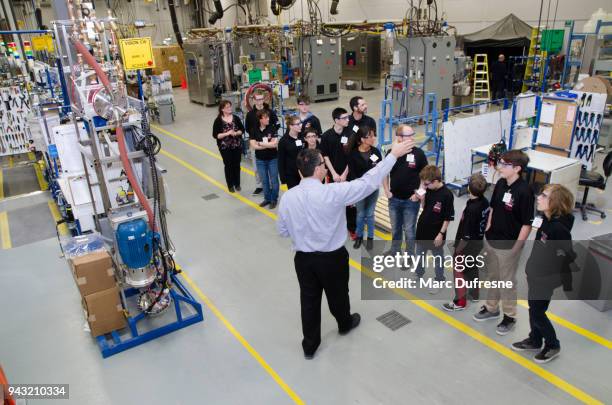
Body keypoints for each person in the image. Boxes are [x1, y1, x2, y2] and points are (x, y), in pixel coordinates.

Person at [277, 137, 416, 359]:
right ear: (319, 169)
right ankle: (344, 323)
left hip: (303, 260)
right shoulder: (333, 192)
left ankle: (310, 345)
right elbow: (368, 182)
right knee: (339, 294)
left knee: (309, 301)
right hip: (332, 258)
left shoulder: (287, 198)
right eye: (323, 163)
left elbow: (283, 231)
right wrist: (392, 155)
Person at [512, 184, 575, 363]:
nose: (538, 197)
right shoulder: (545, 219)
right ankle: (535, 339)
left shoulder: (559, 230)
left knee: (538, 312)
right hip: (535, 274)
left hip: (545, 279)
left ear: (555, 202)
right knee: (534, 309)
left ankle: (553, 344)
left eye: (544, 196)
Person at [473, 150, 534, 335]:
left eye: (505, 164)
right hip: (492, 240)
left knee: (506, 282)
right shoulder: (500, 183)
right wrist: (488, 230)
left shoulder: (525, 191)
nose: (500, 167)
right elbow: (492, 208)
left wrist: (517, 246)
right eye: (500, 163)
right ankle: (492, 308)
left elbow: (527, 223)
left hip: (509, 245)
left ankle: (509, 316)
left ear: (517, 168)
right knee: (493, 276)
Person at [442, 173, 490, 311]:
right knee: (472, 268)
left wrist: (458, 251)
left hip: (466, 246)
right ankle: (474, 294)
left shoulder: (471, 210)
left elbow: (466, 236)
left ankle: (459, 302)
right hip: (478, 243)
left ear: (469, 188)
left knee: (459, 273)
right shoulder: (484, 202)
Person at [383, 125, 428, 255]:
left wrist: (418, 194)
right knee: (396, 228)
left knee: (409, 230)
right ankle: (395, 250)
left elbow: (426, 177)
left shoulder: (419, 154)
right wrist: (386, 190)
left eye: (412, 134)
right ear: (399, 138)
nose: (412, 137)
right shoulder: (392, 154)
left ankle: (409, 255)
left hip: (411, 201)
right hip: (394, 199)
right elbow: (384, 172)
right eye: (409, 135)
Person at [414, 165, 455, 293]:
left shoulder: (447, 195)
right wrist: (422, 198)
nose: (425, 186)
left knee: (438, 258)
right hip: (422, 229)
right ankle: (419, 272)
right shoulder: (429, 189)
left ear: (436, 181)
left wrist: (441, 234)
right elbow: (425, 207)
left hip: (436, 233)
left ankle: (439, 280)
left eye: (427, 184)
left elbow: (447, 217)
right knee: (419, 254)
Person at [321, 107, 357, 239]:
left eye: (348, 117)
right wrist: (334, 174)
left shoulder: (351, 132)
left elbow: (353, 155)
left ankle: (352, 228)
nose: (348, 120)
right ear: (336, 120)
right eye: (344, 118)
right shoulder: (326, 136)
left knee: (350, 204)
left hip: (348, 174)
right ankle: (334, 229)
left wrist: (344, 174)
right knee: (334, 204)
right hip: (333, 175)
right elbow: (325, 157)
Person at [345, 126, 382, 250]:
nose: (373, 138)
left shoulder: (376, 152)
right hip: (360, 190)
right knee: (360, 214)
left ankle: (370, 238)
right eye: (370, 136)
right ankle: (359, 237)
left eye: (373, 136)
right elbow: (352, 174)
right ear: (362, 139)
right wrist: (360, 187)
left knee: (370, 214)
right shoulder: (353, 154)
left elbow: (380, 170)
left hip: (373, 189)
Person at [246, 90, 279, 196]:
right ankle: (259, 185)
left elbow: (277, 124)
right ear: (253, 100)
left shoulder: (270, 112)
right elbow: (247, 128)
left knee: (271, 167)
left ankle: (270, 186)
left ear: (264, 99)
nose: (259, 101)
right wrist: (255, 139)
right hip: (255, 143)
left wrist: (270, 132)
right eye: (257, 99)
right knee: (257, 167)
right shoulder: (250, 114)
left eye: (261, 99)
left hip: (269, 143)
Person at [212, 100, 245, 193]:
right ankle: (230, 185)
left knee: (237, 164)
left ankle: (237, 184)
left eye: (230, 106)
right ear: (222, 109)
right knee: (228, 165)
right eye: (227, 107)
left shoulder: (236, 118)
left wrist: (236, 132)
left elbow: (242, 129)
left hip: (236, 145)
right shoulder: (218, 120)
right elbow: (215, 135)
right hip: (225, 147)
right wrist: (227, 133)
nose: (230, 108)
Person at [249, 110, 280, 209]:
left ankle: (274, 199)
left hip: (273, 159)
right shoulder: (254, 130)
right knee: (264, 181)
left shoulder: (272, 128)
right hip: (260, 160)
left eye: (268, 117)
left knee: (274, 180)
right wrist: (267, 145)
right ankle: (267, 199)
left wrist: (261, 143)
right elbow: (253, 146)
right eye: (265, 118)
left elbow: (274, 144)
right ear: (260, 119)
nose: (268, 119)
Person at [278, 115, 304, 189]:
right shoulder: (283, 141)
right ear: (291, 126)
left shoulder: (302, 137)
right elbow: (281, 160)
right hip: (291, 174)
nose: (300, 126)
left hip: (304, 172)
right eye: (298, 124)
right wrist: (283, 178)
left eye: (300, 123)